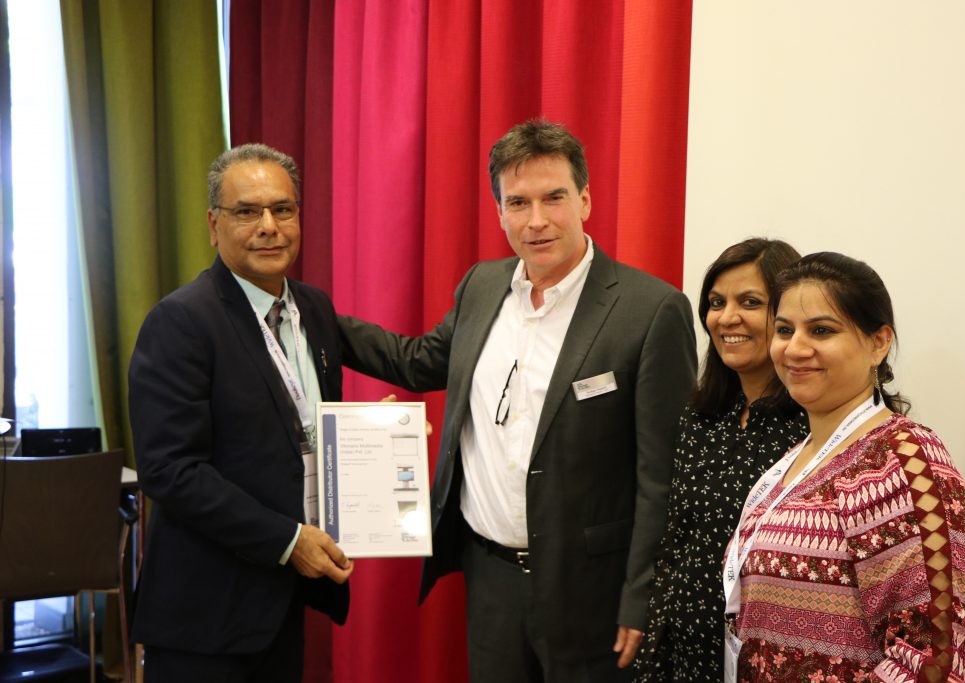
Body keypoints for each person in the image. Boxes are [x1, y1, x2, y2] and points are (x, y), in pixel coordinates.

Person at [337, 119, 697, 682]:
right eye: (518, 202)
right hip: (491, 578)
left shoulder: (650, 310)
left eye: (554, 197)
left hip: (593, 591)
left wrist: (643, 594)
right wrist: (313, 315)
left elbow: (663, 476)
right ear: (499, 212)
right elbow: (417, 361)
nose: (536, 220)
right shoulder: (482, 287)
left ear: (584, 200)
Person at [128, 143, 354, 683]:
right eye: (247, 211)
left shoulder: (313, 309)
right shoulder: (182, 322)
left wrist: (367, 435)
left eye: (283, 209)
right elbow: (171, 470)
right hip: (204, 617)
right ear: (214, 225)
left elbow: (300, 430)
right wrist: (287, 541)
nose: (269, 227)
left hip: (282, 606)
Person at [723, 252, 965, 682]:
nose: (795, 348)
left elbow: (934, 661)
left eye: (821, 330)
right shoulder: (796, 459)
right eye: (784, 330)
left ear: (878, 342)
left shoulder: (905, 461)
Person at [633, 238, 806, 682]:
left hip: (767, 662)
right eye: (716, 303)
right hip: (685, 654)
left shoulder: (813, 428)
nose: (727, 317)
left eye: (750, 302)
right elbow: (674, 545)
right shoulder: (701, 416)